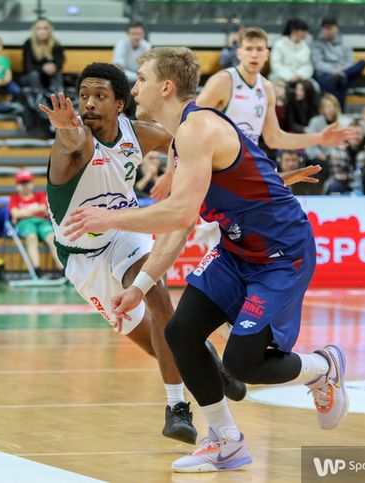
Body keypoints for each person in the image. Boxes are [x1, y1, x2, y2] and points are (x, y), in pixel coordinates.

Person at [62, 47, 348, 473]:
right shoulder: (182, 138)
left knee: (241, 364)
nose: (134, 89)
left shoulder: (198, 129)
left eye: (142, 79)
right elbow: (178, 229)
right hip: (236, 250)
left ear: (166, 87)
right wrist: (139, 288)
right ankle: (226, 440)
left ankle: (323, 367)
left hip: (280, 254)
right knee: (180, 332)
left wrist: (109, 217)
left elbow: (178, 213)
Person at [37, 62, 247, 446]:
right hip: (83, 258)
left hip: (125, 232)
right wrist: (65, 128)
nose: (89, 103)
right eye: (83, 96)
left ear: (120, 104)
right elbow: (72, 140)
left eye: (100, 96)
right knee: (157, 344)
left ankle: (176, 407)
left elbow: (190, 142)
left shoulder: (138, 133)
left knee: (157, 294)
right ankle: (206, 357)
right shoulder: (75, 144)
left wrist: (174, 171)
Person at [196, 27, 352, 150]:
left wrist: (320, 138)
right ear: (239, 53)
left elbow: (274, 138)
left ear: (266, 54)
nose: (254, 55)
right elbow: (190, 123)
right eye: (249, 49)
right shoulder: (223, 81)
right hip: (220, 161)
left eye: (259, 49)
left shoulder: (266, 87)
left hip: (247, 160)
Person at [9, 170, 62, 275]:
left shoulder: (40, 195)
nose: (25, 186)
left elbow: (43, 208)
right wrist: (36, 209)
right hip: (25, 223)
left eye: (27, 182)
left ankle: (63, 270)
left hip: (42, 222)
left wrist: (24, 212)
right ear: (17, 186)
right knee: (31, 237)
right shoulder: (14, 198)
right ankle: (37, 269)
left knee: (52, 237)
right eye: (22, 183)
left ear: (32, 183)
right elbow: (15, 214)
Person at [311, 16, 365, 110]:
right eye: (325, 28)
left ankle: (342, 76)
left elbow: (350, 61)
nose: (327, 31)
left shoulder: (345, 43)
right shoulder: (317, 43)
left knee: (362, 63)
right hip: (327, 74)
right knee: (337, 83)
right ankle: (340, 111)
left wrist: (342, 70)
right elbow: (318, 64)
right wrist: (334, 70)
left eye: (330, 28)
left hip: (344, 71)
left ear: (336, 28)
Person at [22, 19, 65, 96]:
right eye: (39, 29)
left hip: (49, 76)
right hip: (32, 77)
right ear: (34, 31)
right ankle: (40, 98)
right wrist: (42, 68)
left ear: (49, 30)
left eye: (45, 28)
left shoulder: (56, 44)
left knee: (57, 74)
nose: (42, 31)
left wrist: (54, 67)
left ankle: (58, 97)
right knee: (34, 74)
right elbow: (27, 67)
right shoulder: (28, 43)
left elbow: (60, 63)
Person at [269, 19, 314, 87]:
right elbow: (276, 65)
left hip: (301, 78)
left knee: (313, 86)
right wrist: (290, 76)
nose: (306, 34)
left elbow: (308, 66)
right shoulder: (279, 45)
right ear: (294, 30)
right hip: (280, 77)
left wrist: (300, 75)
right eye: (303, 31)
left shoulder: (305, 47)